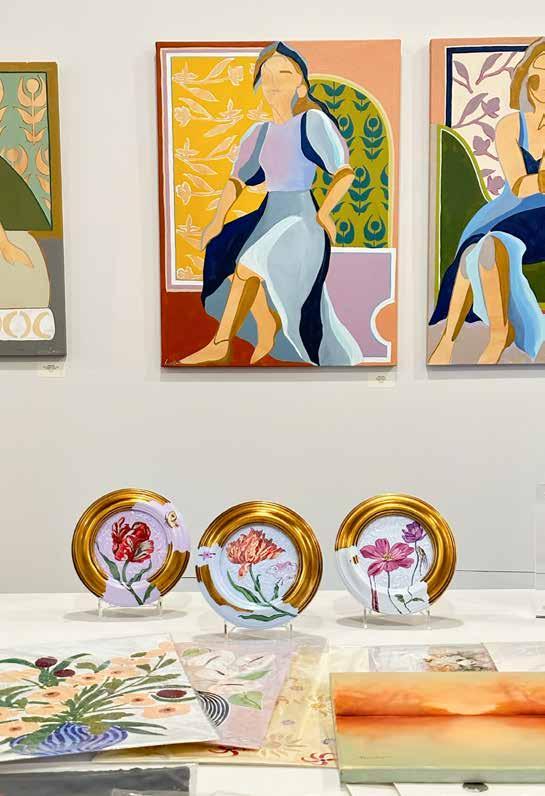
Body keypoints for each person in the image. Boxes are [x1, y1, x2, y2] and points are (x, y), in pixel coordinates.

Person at [180, 41, 363, 366]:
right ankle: (265, 323)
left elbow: (344, 172)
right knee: (227, 255)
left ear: (301, 85)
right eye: (267, 75)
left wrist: (325, 212)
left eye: (284, 73)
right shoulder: (258, 132)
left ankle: (221, 345)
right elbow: (237, 181)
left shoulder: (312, 122)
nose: (274, 81)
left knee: (249, 263)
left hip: (301, 220)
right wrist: (217, 220)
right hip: (267, 215)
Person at [429, 37, 545, 365]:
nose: (542, 84)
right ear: (526, 80)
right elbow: (520, 187)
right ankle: (452, 338)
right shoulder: (510, 125)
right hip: (508, 211)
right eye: (537, 75)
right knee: (476, 248)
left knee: (488, 245)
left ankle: (497, 335)